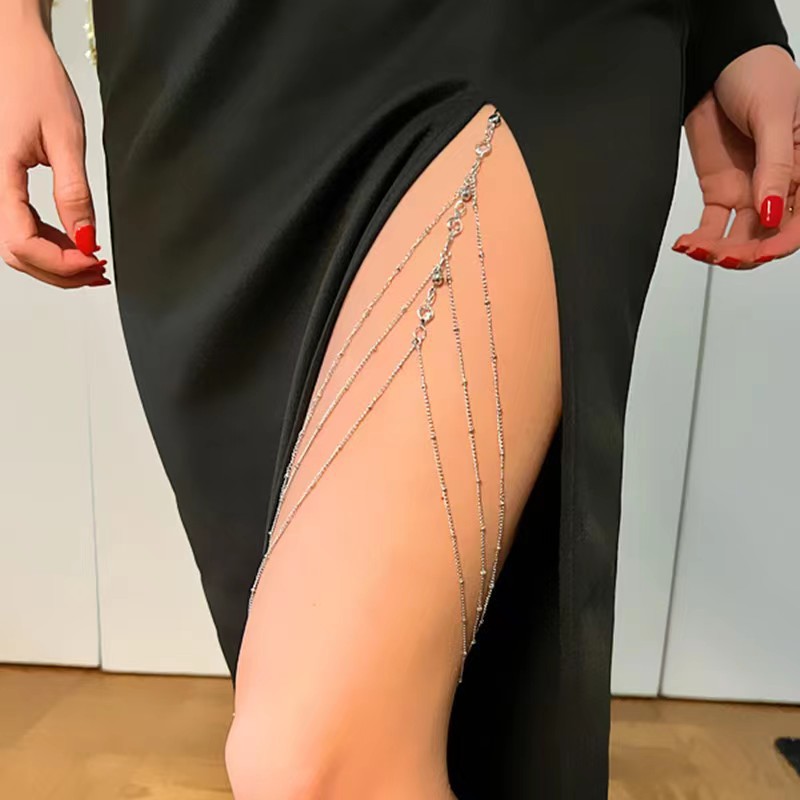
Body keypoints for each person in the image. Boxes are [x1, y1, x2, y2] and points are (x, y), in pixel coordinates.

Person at [1, 0, 797, 797]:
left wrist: (731, 20)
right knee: (447, 727)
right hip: (202, 86)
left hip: (524, 36)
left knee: (318, 759)